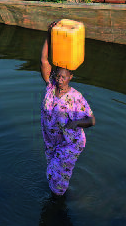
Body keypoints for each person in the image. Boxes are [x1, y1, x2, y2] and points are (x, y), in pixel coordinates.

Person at [40, 22, 95, 196]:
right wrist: (49, 35)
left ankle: (58, 203)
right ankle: (56, 197)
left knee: (58, 178)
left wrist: (76, 123)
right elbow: (43, 60)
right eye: (58, 76)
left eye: (64, 77)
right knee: (52, 174)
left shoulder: (76, 97)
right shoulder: (50, 86)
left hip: (70, 143)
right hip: (52, 141)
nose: (60, 79)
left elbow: (92, 120)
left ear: (71, 76)